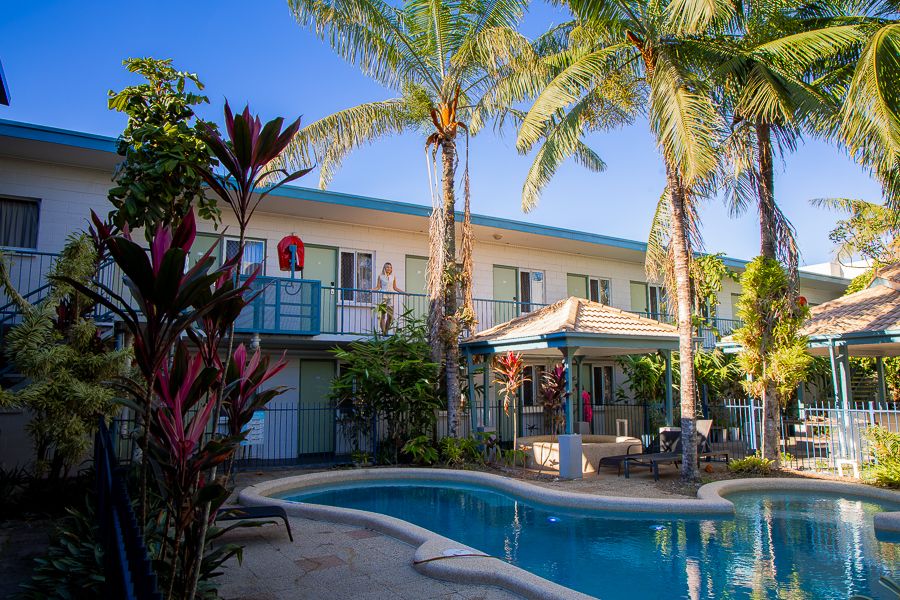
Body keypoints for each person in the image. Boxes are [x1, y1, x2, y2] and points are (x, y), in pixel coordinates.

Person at [373, 262, 403, 334]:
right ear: (384, 268)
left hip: (391, 297)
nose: (389, 268)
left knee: (390, 316)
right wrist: (371, 290)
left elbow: (395, 287)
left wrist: (404, 293)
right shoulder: (380, 276)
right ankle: (384, 332)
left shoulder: (393, 277)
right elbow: (378, 287)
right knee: (382, 316)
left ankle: (385, 331)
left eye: (390, 267)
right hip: (383, 297)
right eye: (387, 267)